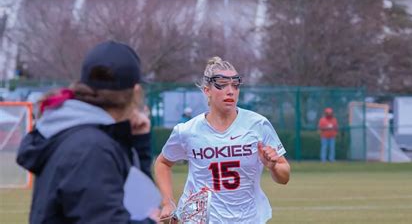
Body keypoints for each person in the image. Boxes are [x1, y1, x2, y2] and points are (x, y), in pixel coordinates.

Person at [16, 41, 157, 223]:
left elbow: (135, 197)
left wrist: (138, 142)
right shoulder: (92, 147)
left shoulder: (79, 134)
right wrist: (152, 221)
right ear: (135, 91)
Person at [154, 56, 290, 223]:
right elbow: (162, 163)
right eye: (222, 85)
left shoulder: (258, 124)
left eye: (235, 85)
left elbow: (284, 177)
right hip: (200, 219)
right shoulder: (187, 131)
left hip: (248, 219)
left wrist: (274, 166)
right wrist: (167, 202)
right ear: (207, 90)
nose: (230, 91)